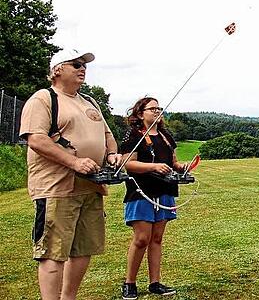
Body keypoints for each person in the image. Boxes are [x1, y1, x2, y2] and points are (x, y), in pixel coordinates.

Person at [19, 48, 122, 300]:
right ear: (57, 70)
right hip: (57, 189)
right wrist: (74, 163)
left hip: (91, 187)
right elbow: (36, 139)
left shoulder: (90, 101)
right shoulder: (43, 99)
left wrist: (111, 155)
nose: (82, 68)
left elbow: (107, 136)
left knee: (83, 249)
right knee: (53, 252)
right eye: (76, 64)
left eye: (84, 64)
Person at [120, 97, 186, 299]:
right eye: (152, 108)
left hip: (164, 191)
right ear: (140, 114)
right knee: (141, 239)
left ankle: (155, 283)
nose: (157, 111)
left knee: (157, 239)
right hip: (141, 192)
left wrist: (180, 167)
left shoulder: (166, 135)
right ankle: (129, 283)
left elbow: (172, 160)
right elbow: (127, 164)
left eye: (159, 108)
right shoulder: (134, 135)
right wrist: (153, 167)